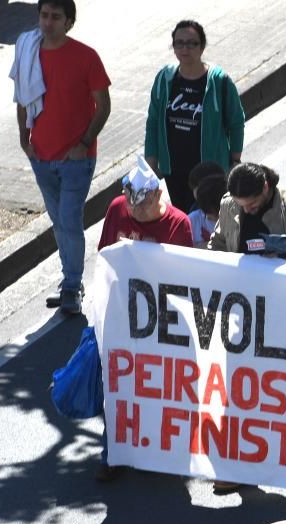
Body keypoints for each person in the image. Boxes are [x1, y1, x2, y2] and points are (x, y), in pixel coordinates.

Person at [94, 156, 193, 481]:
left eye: (141, 208)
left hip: (162, 319)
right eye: (131, 207)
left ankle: (167, 450)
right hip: (121, 313)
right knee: (118, 384)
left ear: (156, 196)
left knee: (161, 386)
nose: (134, 213)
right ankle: (115, 453)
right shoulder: (117, 208)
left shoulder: (179, 224)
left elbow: (181, 278)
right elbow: (105, 256)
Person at [13, 0, 111, 315]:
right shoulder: (29, 50)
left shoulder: (86, 56)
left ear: (68, 22)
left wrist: (83, 143)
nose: (48, 22)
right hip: (40, 155)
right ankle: (71, 280)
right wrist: (23, 138)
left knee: (69, 220)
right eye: (44, 15)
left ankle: (71, 285)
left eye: (56, 17)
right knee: (59, 222)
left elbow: (103, 105)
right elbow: (22, 98)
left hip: (76, 159)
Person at [144, 20, 245, 213]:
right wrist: (151, 161)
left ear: (202, 46)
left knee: (210, 220)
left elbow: (236, 121)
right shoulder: (165, 78)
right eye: (179, 43)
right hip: (174, 169)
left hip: (209, 171)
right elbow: (153, 122)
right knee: (184, 220)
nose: (185, 48)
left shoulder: (219, 81)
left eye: (192, 43)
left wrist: (234, 159)